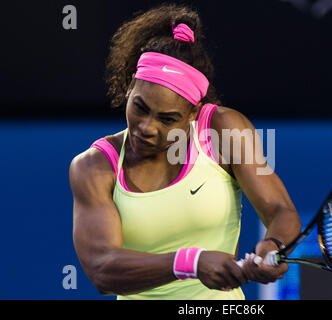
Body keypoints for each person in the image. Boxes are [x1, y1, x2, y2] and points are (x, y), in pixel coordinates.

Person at [69, 4, 301, 300]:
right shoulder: (94, 166)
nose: (147, 127)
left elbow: (281, 210)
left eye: (167, 119)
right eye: (140, 108)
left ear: (193, 113)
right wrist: (190, 263)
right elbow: (101, 270)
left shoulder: (223, 130)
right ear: (130, 87)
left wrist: (274, 245)